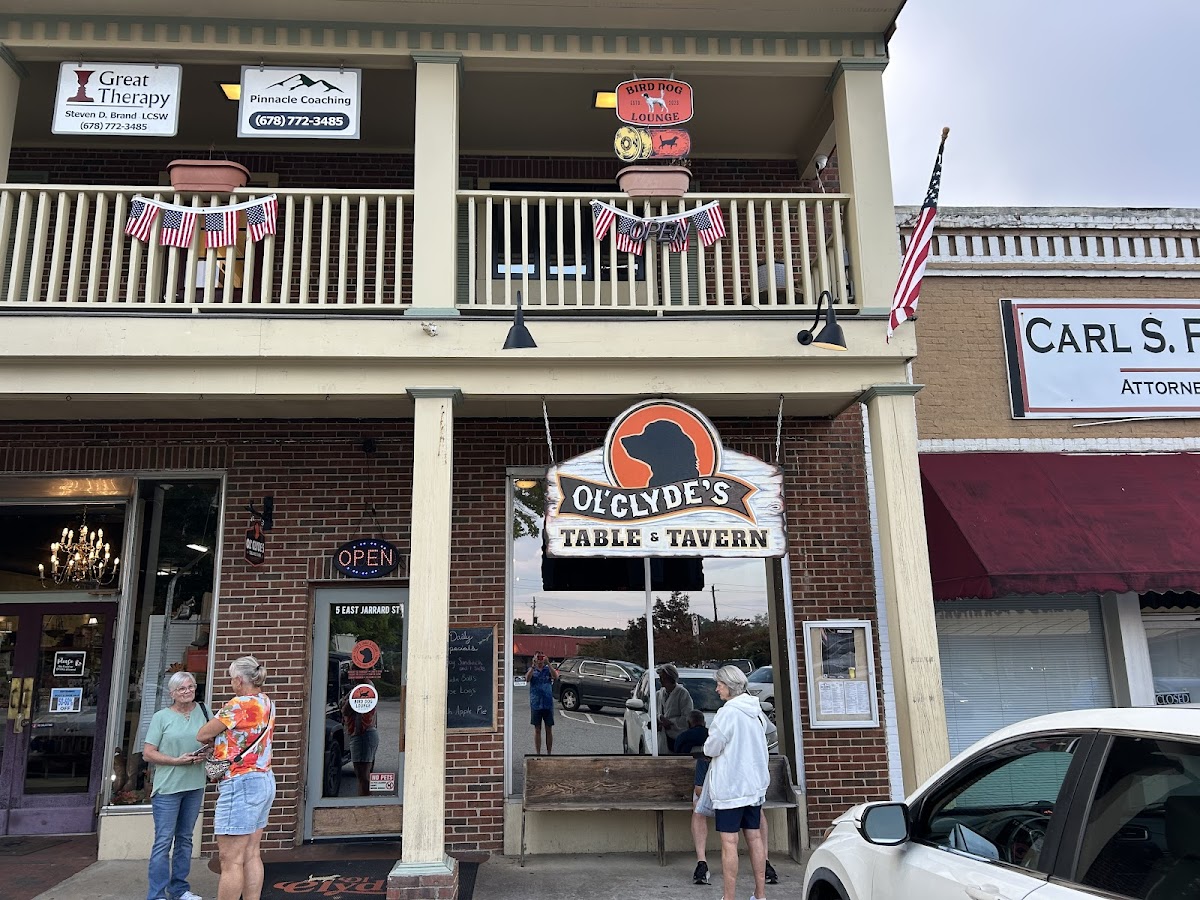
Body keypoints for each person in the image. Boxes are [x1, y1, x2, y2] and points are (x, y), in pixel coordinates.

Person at [197, 656, 277, 900]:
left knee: (230, 860)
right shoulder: (266, 701)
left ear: (240, 680)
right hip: (264, 778)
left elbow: (203, 734)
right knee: (252, 852)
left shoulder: (238, 705)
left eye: (232, 678)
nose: (231, 683)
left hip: (240, 782)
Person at [678, 708, 779, 888]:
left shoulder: (746, 755)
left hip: (738, 795)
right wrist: (721, 800)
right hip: (716, 795)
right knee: (698, 810)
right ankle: (701, 863)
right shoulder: (707, 758)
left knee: (758, 813)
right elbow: (700, 789)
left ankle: (765, 861)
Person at [704, 665, 770, 900]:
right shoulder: (756, 711)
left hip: (732, 786)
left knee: (729, 843)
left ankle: (729, 897)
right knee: (754, 838)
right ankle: (760, 895)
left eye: (719, 684)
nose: (717, 689)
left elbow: (712, 747)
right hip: (753, 786)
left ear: (729, 686)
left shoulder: (728, 713)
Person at [142, 671, 207, 900]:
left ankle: (179, 889)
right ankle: (157, 894)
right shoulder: (162, 717)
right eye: (182, 688)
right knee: (163, 841)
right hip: (168, 787)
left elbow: (213, 742)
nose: (188, 691)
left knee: (185, 839)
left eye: (191, 686)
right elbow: (148, 754)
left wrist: (204, 755)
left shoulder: (204, 711)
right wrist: (176, 761)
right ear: (172, 694)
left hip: (195, 784)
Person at [341, 682, 378, 796]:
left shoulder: (362, 689)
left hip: (361, 735)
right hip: (365, 734)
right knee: (363, 776)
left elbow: (345, 710)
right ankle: (364, 801)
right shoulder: (366, 688)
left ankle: (364, 804)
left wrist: (348, 697)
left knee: (362, 776)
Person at [655, 664, 693, 753]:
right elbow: (653, 713)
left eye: (663, 678)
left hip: (677, 739)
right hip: (662, 739)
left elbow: (687, 717)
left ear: (671, 678)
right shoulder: (658, 694)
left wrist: (671, 722)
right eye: (660, 677)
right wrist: (659, 718)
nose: (661, 680)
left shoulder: (683, 694)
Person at [525, 652, 557, 754]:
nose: (540, 660)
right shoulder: (532, 670)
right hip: (536, 703)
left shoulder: (547, 670)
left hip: (547, 703)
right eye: (538, 658)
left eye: (541, 657)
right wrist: (533, 667)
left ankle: (549, 753)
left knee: (549, 729)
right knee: (537, 729)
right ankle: (538, 753)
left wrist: (549, 664)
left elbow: (555, 677)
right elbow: (527, 679)